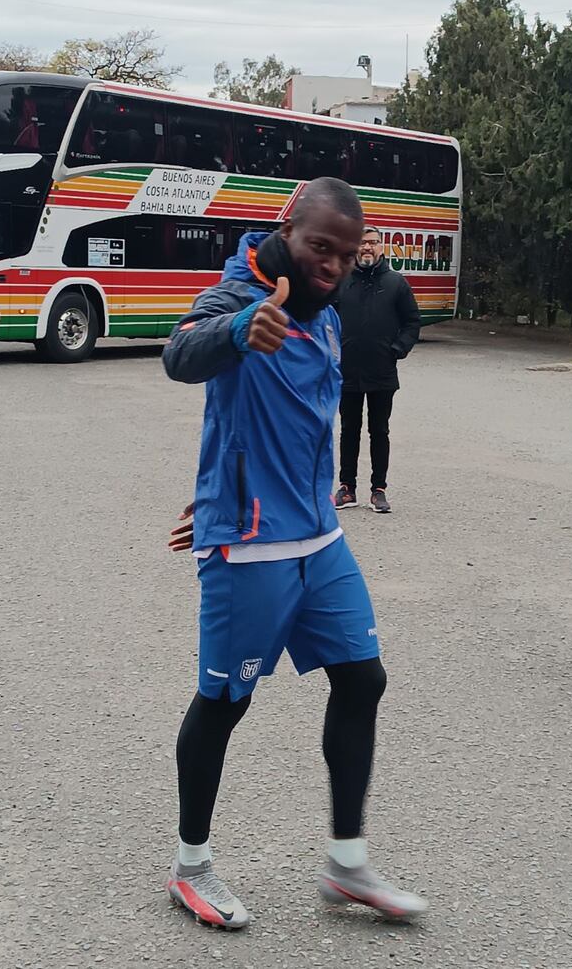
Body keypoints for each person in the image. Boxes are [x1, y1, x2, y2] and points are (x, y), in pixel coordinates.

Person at [161, 178, 427, 929]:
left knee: (363, 679)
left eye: (346, 254)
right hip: (250, 548)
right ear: (286, 226)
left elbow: (300, 425)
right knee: (224, 704)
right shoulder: (239, 295)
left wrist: (215, 485)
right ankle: (191, 867)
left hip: (319, 536)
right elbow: (181, 353)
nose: (334, 265)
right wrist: (242, 327)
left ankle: (347, 866)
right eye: (321, 247)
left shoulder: (326, 310)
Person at [333, 225, 421, 514]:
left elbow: (411, 322)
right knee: (348, 430)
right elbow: (325, 320)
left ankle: (378, 489)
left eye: (372, 243)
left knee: (379, 431)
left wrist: (397, 350)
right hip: (347, 371)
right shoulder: (342, 281)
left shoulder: (396, 283)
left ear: (381, 247)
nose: (366, 248)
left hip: (382, 373)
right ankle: (347, 488)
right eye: (361, 243)